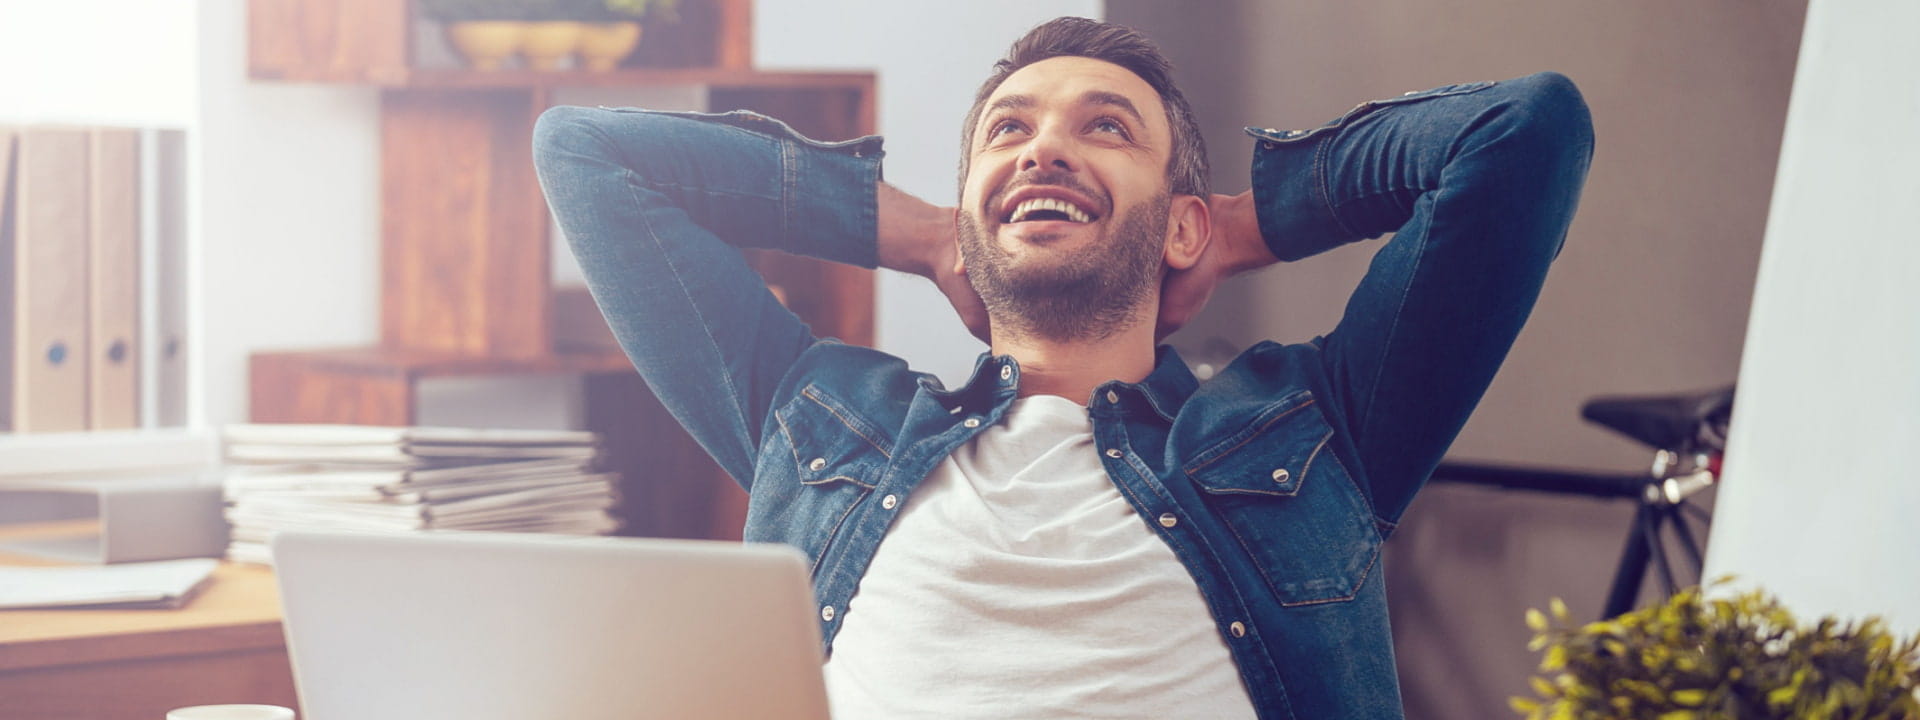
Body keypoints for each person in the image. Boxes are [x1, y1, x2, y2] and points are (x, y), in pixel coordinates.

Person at [533, 16, 1592, 720]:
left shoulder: (1319, 434)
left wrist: (1241, 222)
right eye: (1010, 131)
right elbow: (584, 153)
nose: (1043, 149)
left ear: (1176, 224)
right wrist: (917, 230)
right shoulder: (820, 421)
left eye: (1106, 129)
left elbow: (1524, 133)